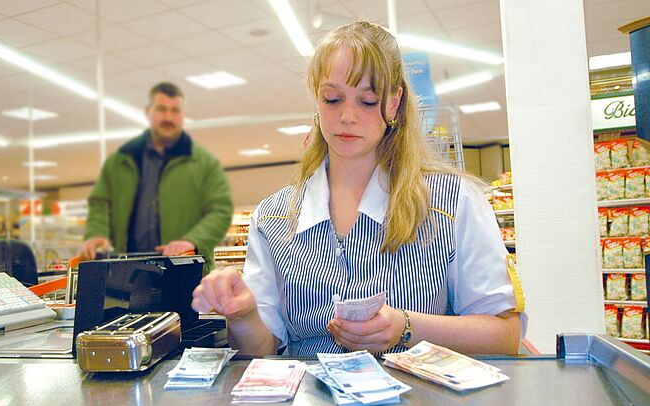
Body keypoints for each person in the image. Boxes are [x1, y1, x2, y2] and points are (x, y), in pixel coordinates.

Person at [191, 22, 526, 357]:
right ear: (317, 101)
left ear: (394, 104)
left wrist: (406, 327)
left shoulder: (452, 201)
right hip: (312, 405)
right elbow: (261, 350)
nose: (347, 116)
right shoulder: (273, 217)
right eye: (333, 99)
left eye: (367, 101)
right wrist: (243, 314)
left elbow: (504, 335)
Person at [80, 82, 233, 274]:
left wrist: (192, 240)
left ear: (182, 115)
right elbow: (100, 202)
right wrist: (97, 233)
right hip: (127, 274)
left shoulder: (204, 164)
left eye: (175, 110)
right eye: (161, 109)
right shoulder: (120, 160)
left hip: (184, 273)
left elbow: (221, 210)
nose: (168, 117)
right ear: (148, 112)